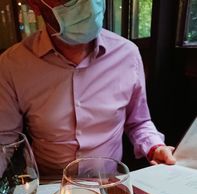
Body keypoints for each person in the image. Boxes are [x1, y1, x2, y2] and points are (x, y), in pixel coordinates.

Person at [0, 0, 176, 178]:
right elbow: (4, 139)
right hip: (50, 190)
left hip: (109, 185)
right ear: (36, 5)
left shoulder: (128, 54)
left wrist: (154, 147)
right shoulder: (12, 64)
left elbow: (138, 122)